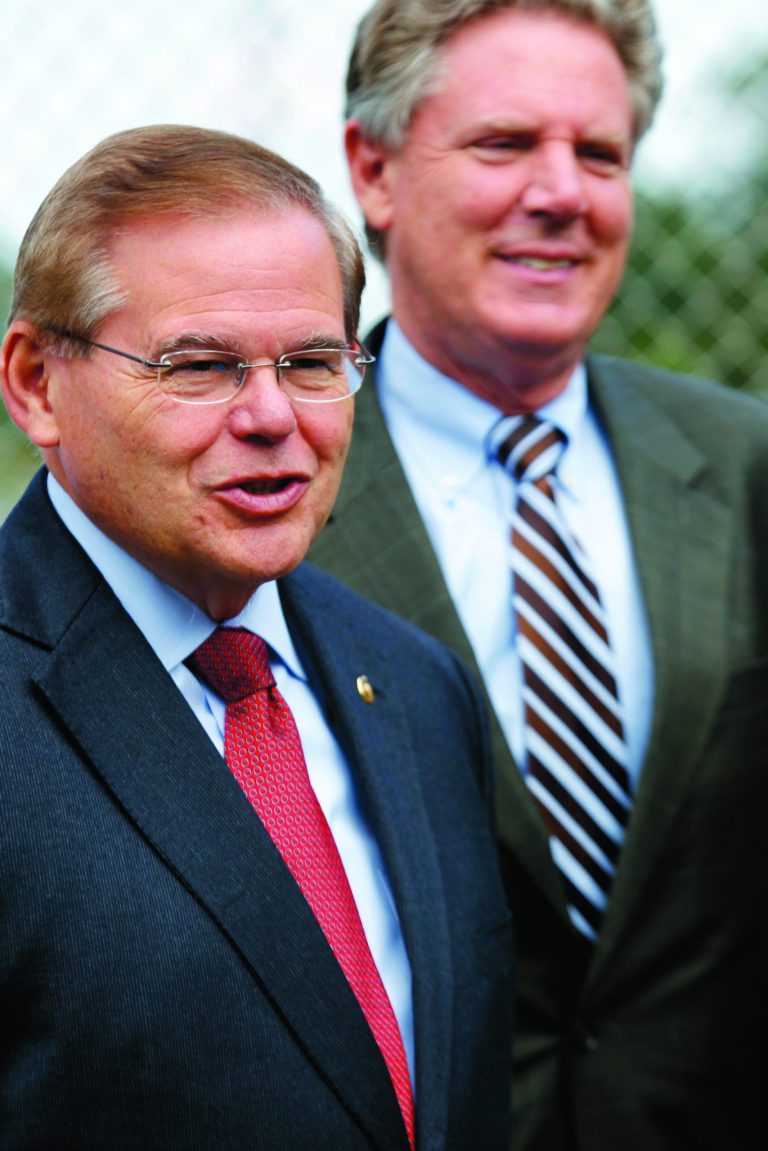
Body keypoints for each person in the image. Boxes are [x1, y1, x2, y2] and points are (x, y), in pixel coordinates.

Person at [307, 2, 768, 1149]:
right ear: (375, 171)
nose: (563, 192)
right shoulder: (272, 496)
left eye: (600, 153)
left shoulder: (744, 463)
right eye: (505, 144)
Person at [0, 124, 513, 1151]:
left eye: (314, 360)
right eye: (201, 366)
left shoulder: (416, 684)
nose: (274, 415)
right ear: (37, 383)